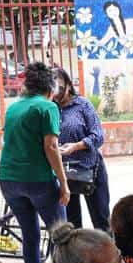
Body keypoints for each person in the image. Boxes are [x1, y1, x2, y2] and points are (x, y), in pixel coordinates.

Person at [0, 61, 70, 263]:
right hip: (38, 180)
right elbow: (51, 147)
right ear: (51, 88)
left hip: (8, 181)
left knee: (30, 235)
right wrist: (64, 183)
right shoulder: (47, 107)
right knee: (63, 237)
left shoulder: (14, 107)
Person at [54, 67, 110, 231]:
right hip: (64, 173)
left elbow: (98, 136)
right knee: (72, 224)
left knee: (101, 219)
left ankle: (107, 255)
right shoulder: (51, 108)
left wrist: (77, 146)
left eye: (60, 88)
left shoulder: (83, 105)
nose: (56, 93)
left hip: (90, 169)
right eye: (52, 89)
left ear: (69, 86)